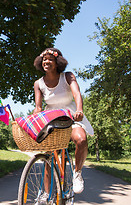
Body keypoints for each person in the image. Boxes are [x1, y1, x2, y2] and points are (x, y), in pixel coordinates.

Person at [33, 48, 94, 194]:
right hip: (51, 120)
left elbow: (77, 94)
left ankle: (77, 173)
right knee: (48, 157)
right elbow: (38, 107)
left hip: (71, 116)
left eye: (50, 59)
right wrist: (35, 115)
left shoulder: (67, 77)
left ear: (57, 62)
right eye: (44, 59)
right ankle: (46, 195)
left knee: (81, 140)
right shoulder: (38, 83)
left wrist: (79, 109)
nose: (46, 62)